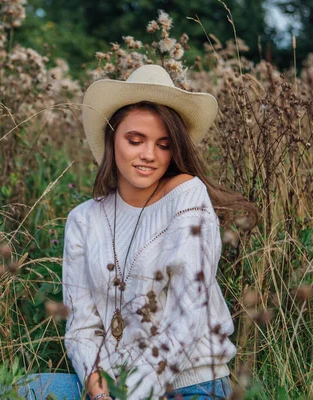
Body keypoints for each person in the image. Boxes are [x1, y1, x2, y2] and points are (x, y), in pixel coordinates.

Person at [63, 64, 240, 400]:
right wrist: (97, 385)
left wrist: (134, 391)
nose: (149, 155)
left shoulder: (187, 196)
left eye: (163, 144)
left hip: (189, 384)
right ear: (112, 138)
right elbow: (82, 326)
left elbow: (193, 304)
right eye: (135, 140)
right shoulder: (84, 220)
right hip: (112, 388)